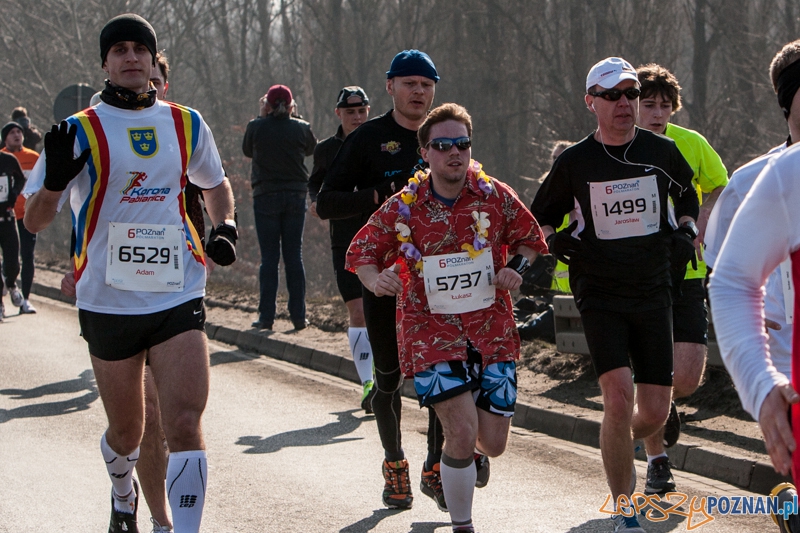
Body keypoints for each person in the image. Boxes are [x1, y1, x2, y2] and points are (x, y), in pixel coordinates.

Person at [23, 13, 237, 533]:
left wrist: (224, 224)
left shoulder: (186, 122)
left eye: (139, 48)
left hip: (177, 289)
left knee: (184, 423)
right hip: (108, 300)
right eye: (119, 49)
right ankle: (124, 492)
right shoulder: (77, 131)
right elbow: (33, 219)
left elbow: (216, 184)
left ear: (152, 59)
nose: (131, 57)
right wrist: (53, 183)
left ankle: (179, 529)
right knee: (129, 432)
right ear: (105, 63)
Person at [348, 103, 546, 532]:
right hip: (429, 332)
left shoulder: (494, 196)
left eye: (462, 144)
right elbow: (359, 252)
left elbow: (532, 239)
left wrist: (517, 268)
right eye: (442, 145)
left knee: (491, 443)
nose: (454, 152)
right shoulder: (405, 206)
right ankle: (462, 524)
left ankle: (470, 452)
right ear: (425, 153)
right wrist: (376, 279)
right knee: (458, 430)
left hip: (491, 332)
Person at [531, 57, 699, 532]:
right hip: (599, 290)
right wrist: (555, 240)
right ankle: (625, 509)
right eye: (612, 95)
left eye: (630, 93)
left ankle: (615, 438)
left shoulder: (660, 151)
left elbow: (688, 193)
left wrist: (686, 228)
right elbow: (540, 217)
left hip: (653, 287)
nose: (624, 103)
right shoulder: (574, 162)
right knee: (618, 397)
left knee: (656, 411)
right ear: (592, 103)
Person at [316, 50, 453, 512]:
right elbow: (325, 201)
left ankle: (436, 463)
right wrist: (376, 195)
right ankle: (395, 462)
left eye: (426, 84)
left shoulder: (446, 133)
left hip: (438, 278)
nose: (419, 92)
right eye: (410, 83)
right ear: (390, 87)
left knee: (442, 373)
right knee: (390, 379)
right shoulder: (367, 138)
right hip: (385, 279)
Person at [707, 39, 800, 533]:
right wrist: (759, 379)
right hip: (784, 356)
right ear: (788, 101)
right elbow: (727, 274)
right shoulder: (764, 179)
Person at [635, 63, 729, 495]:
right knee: (650, 373)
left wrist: (703, 224)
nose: (656, 113)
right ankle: (657, 461)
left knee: (686, 377)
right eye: (648, 104)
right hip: (636, 277)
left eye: (664, 106)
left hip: (686, 271)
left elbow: (720, 185)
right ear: (632, 106)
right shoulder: (620, 146)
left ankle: (665, 405)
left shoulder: (691, 143)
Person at [308, 86, 376, 412]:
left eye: (362, 111)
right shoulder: (326, 149)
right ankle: (368, 383)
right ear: (339, 114)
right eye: (351, 112)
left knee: (386, 311)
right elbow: (316, 183)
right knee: (358, 310)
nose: (357, 117)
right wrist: (313, 202)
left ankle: (386, 375)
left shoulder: (381, 141)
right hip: (345, 238)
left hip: (383, 236)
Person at [242, 84, 316, 331]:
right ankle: (298, 316)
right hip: (295, 195)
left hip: (266, 196)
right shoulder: (301, 128)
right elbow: (310, 149)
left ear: (267, 104)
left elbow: (246, 150)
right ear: (291, 105)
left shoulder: (256, 127)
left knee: (269, 259)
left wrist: (261, 117)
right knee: (294, 256)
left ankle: (266, 317)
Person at [0, 141, 25, 321]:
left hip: (7, 217)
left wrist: (14, 194)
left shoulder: (8, 160)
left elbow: (21, 178)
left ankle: (11, 284)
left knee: (13, 260)